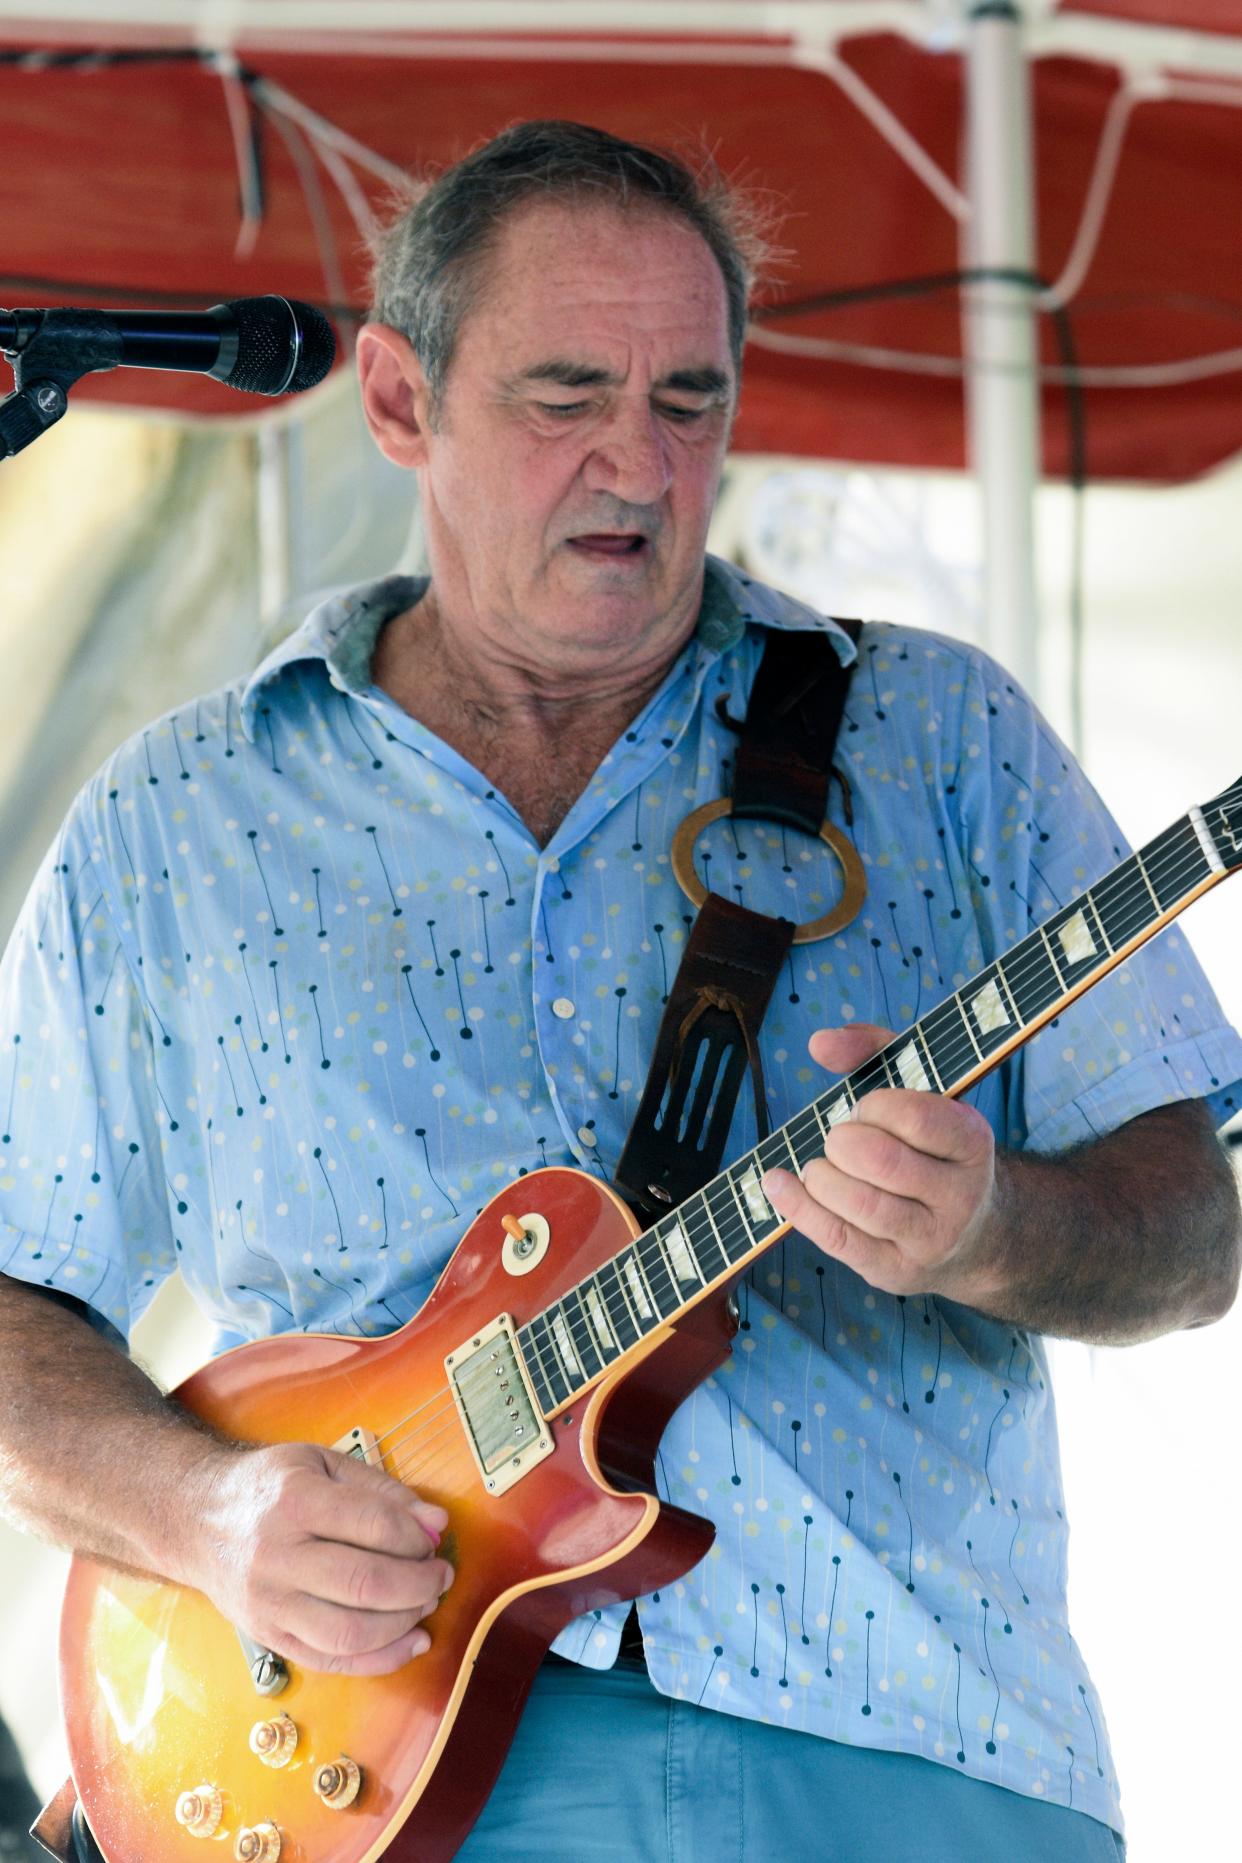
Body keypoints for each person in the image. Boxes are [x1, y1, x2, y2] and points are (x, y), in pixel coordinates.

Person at [0, 120, 1238, 1863]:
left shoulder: (939, 740)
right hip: (351, 1775)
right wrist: (206, 1511)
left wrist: (991, 1229)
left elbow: (1189, 1230)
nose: (637, 466)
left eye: (687, 401)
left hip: (904, 1748)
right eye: (563, 393)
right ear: (396, 402)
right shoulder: (172, 823)